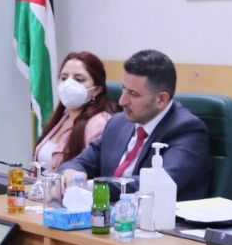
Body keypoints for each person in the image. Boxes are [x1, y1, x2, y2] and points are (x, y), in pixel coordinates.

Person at [60, 48, 212, 200]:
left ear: (161, 99)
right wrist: (70, 173)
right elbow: (80, 163)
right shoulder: (118, 123)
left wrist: (90, 186)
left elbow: (158, 185)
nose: (122, 101)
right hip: (107, 212)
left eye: (133, 93)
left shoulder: (188, 130)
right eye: (123, 89)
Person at [33, 51, 115, 170]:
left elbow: (92, 170)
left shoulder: (100, 124)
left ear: (97, 90)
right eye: (64, 78)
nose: (68, 84)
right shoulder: (63, 116)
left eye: (79, 79)